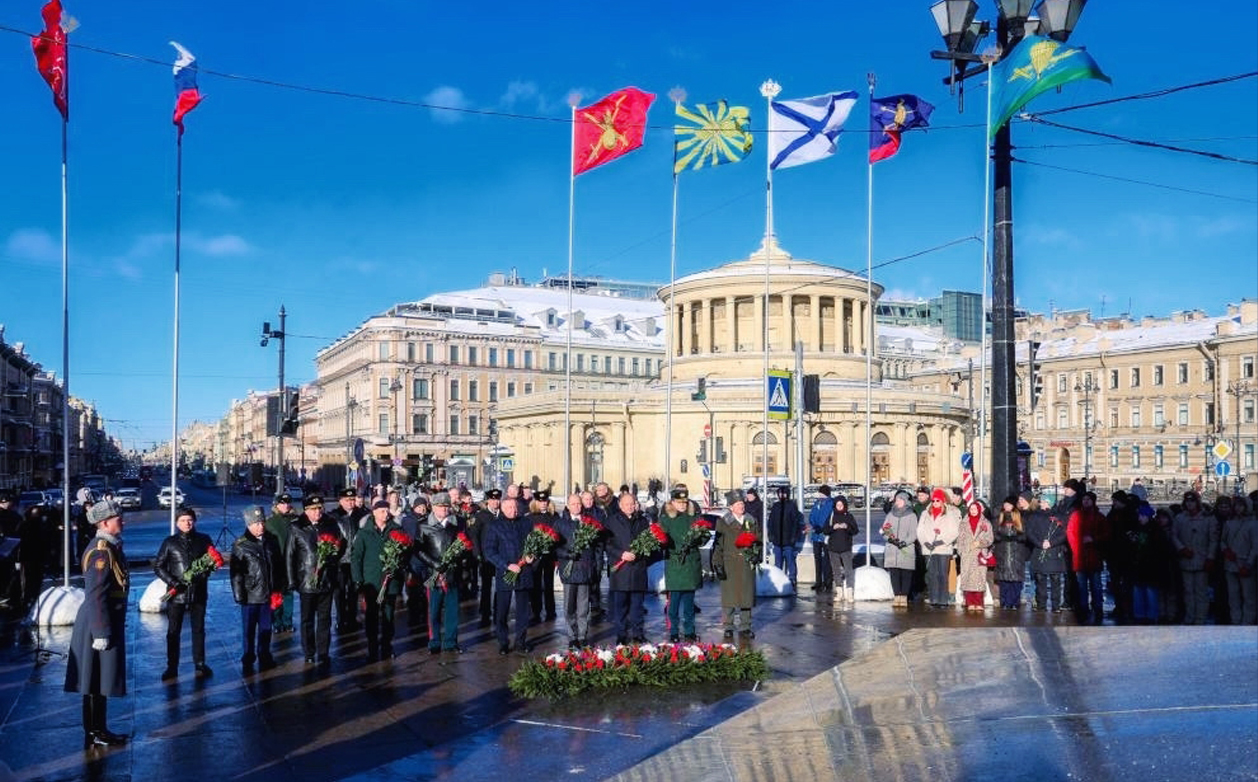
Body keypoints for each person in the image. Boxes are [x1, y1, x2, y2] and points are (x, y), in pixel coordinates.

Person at [64, 499, 129, 748]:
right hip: (97, 621)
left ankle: (98, 728)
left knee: (99, 680)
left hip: (105, 618)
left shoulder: (111, 547)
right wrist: (101, 631)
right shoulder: (102, 550)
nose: (121, 521)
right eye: (117, 518)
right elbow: (96, 594)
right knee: (94, 680)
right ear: (104, 523)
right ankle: (94, 731)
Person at [153, 506, 214, 680]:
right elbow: (158, 566)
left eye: (189, 520)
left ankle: (200, 663)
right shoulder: (169, 542)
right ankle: (172, 666)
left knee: (199, 629)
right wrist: (174, 582)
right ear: (176, 522)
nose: (187, 523)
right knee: (173, 631)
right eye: (182, 520)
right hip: (177, 594)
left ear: (194, 521)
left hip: (198, 592)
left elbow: (211, 562)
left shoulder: (204, 539)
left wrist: (203, 573)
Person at [287, 494, 345, 666]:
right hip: (306, 580)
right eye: (313, 509)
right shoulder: (297, 527)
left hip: (326, 580)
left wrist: (333, 558)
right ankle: (309, 652)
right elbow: (289, 555)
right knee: (307, 619)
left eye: (320, 508)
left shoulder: (330, 523)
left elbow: (341, 545)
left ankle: (323, 652)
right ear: (306, 511)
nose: (318, 512)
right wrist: (292, 581)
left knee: (325, 618)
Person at [230, 506, 286, 674]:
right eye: (256, 524)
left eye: (262, 522)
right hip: (250, 594)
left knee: (266, 628)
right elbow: (236, 573)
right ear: (248, 525)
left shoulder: (272, 540)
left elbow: (279, 566)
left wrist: (279, 587)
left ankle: (264, 655)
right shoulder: (241, 545)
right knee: (248, 629)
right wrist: (239, 595)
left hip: (268, 593)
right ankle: (248, 656)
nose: (260, 526)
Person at [351, 499, 407, 661]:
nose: (386, 513)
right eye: (382, 511)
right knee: (372, 616)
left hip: (390, 581)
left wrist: (398, 565)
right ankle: (372, 646)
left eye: (387, 510)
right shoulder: (364, 532)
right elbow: (357, 558)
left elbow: (404, 553)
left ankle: (387, 645)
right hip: (372, 583)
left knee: (389, 615)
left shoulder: (396, 530)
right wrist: (358, 580)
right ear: (374, 512)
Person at [484, 493, 535, 655]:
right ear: (502, 508)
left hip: (524, 572)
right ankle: (503, 642)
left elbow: (533, 544)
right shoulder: (495, 526)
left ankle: (521, 641)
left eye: (515, 507)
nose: (513, 510)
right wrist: (506, 565)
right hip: (505, 573)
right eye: (509, 507)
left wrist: (532, 556)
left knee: (523, 611)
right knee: (502, 611)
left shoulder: (526, 523)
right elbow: (489, 551)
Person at [555, 493, 602, 649]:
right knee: (569, 606)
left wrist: (596, 565)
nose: (577, 506)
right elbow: (554, 547)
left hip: (585, 568)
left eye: (579, 504)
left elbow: (597, 546)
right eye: (573, 504)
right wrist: (567, 554)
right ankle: (571, 635)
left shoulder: (589, 523)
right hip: (569, 569)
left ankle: (582, 636)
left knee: (583, 606)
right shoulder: (561, 523)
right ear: (567, 506)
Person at [605, 491, 652, 644]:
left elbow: (649, 544)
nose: (630, 507)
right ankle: (621, 634)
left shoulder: (643, 521)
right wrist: (621, 554)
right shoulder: (611, 521)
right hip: (621, 570)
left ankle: (638, 633)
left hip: (638, 568)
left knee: (637, 605)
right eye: (626, 504)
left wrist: (638, 554)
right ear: (620, 505)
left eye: (632, 504)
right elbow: (607, 544)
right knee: (620, 606)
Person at [711, 489, 759, 639]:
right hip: (729, 563)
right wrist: (717, 564)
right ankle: (729, 626)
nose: (741, 506)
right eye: (738, 504)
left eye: (742, 503)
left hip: (746, 563)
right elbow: (718, 545)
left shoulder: (751, 520)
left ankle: (745, 626)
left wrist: (757, 555)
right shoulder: (723, 522)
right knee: (729, 597)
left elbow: (758, 540)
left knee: (746, 596)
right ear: (731, 507)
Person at [658, 487, 701, 643]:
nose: (682, 505)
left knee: (689, 604)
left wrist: (699, 537)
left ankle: (690, 631)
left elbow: (702, 540)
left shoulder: (694, 518)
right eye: (679, 502)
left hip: (690, 564)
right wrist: (663, 541)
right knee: (674, 603)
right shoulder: (666, 519)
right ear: (672, 502)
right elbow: (661, 541)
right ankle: (674, 631)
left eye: (684, 502)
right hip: (676, 564)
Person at [1171, 491, 1217, 624]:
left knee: (1201, 592)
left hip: (1202, 560)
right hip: (1186, 560)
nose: (1190, 504)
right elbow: (1174, 536)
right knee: (1188, 591)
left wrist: (1210, 557)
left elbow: (1213, 540)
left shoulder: (1208, 519)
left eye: (1192, 501)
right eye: (1187, 501)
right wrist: (1182, 549)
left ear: (1198, 502)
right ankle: (1190, 617)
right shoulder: (1180, 518)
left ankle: (1200, 618)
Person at [329, 487, 368, 634]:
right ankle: (340, 620)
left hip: (356, 560)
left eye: (353, 499)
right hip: (340, 560)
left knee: (354, 591)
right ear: (340, 501)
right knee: (339, 592)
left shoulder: (362, 515)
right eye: (347, 500)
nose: (351, 503)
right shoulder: (334, 516)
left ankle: (352, 619)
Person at [1067, 491, 1108, 624]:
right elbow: (1070, 533)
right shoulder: (1076, 516)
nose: (1086, 502)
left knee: (1096, 585)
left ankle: (1098, 608)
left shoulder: (1099, 517)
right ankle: (1083, 608)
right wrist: (1076, 548)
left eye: (1088, 499)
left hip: (1094, 556)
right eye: (1084, 499)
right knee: (1082, 586)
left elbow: (1106, 534)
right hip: (1080, 557)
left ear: (1093, 501)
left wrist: (1094, 539)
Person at [1023, 491, 1068, 612]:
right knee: (1040, 579)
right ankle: (1041, 604)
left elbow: (1063, 534)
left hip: (1054, 552)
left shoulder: (1059, 516)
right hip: (1039, 551)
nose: (1040, 503)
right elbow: (1029, 532)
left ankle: (1055, 605)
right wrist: (1040, 543)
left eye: (1043, 501)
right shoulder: (1035, 516)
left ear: (1048, 503)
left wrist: (1051, 543)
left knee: (1055, 580)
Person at [916, 488, 960, 608]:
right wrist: (925, 542)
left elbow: (954, 531)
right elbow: (920, 530)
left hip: (943, 549)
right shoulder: (925, 514)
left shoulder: (949, 513)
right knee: (932, 574)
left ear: (942, 501)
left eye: (938, 500)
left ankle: (943, 600)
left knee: (942, 574)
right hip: (929, 549)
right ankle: (933, 598)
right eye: (934, 500)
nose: (935, 502)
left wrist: (942, 541)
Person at [1220, 495, 1256, 625]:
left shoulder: (1253, 524)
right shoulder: (1229, 522)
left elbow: (1255, 547)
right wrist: (1226, 550)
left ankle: (1247, 622)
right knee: (1233, 596)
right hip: (1230, 564)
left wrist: (1248, 564)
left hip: (1245, 565)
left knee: (1248, 596)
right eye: (1236, 505)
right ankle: (1235, 621)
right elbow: (1222, 541)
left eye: (1241, 505)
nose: (1238, 508)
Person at [265, 493, 298, 633]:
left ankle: (288, 621)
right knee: (276, 594)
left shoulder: (295, 520)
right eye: (282, 503)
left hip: (291, 563)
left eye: (287, 503)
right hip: (276, 563)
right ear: (276, 505)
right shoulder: (271, 522)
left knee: (289, 594)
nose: (285, 505)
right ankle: (277, 622)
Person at [398, 494, 430, 634]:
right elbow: (412, 537)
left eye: (424, 507)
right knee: (414, 589)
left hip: (426, 559)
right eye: (419, 507)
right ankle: (414, 615)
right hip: (413, 559)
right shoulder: (409, 520)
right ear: (414, 508)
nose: (422, 509)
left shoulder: (429, 518)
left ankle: (424, 613)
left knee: (426, 588)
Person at [880, 489, 918, 607]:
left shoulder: (911, 515)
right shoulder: (891, 514)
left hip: (906, 549)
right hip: (892, 549)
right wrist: (889, 538)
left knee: (906, 574)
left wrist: (904, 542)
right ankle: (896, 596)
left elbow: (914, 533)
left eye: (900, 500)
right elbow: (885, 529)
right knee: (894, 574)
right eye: (897, 500)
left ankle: (904, 597)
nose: (898, 502)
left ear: (905, 501)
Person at [470, 489, 501, 627]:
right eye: (493, 499)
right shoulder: (481, 515)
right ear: (488, 500)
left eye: (497, 499)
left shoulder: (503, 515)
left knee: (500, 585)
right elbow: (474, 535)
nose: (495, 502)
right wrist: (477, 553)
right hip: (486, 557)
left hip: (500, 556)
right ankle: (485, 611)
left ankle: (498, 610)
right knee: (486, 586)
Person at [956, 500, 995, 612]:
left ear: (979, 510)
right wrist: (962, 551)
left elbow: (990, 538)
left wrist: (980, 543)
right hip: (967, 554)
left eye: (975, 509)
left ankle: (978, 602)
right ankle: (969, 602)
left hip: (979, 554)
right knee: (967, 578)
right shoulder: (964, 523)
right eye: (971, 509)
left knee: (979, 579)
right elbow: (960, 539)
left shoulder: (985, 522)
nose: (973, 511)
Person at [527, 491, 559, 623]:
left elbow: (558, 535)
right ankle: (536, 612)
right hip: (535, 556)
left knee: (548, 584)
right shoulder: (530, 518)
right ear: (536, 502)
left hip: (550, 555)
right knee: (535, 585)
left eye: (545, 501)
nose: (543, 503)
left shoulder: (554, 516)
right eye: (540, 501)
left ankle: (550, 610)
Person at [992, 496, 1029, 609]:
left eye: (1008, 504)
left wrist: (1016, 537)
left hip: (1016, 553)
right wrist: (1000, 537)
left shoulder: (1020, 518)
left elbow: (1025, 534)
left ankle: (1014, 601)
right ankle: (1005, 602)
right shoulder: (999, 518)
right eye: (1005, 504)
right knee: (1004, 579)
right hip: (1002, 552)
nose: (1006, 506)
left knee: (1016, 580)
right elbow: (994, 533)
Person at [766, 486, 804, 589]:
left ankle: (792, 578)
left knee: (790, 560)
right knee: (778, 561)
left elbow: (796, 524)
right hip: (777, 540)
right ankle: (779, 579)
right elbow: (771, 522)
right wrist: (770, 535)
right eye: (780, 493)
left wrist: (793, 537)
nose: (782, 495)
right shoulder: (776, 506)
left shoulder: (791, 506)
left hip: (788, 540)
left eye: (784, 493)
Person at [826, 495, 859, 605]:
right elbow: (825, 530)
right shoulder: (831, 516)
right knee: (836, 571)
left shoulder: (849, 516)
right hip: (833, 548)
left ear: (844, 505)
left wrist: (847, 527)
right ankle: (839, 592)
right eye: (837, 505)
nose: (839, 506)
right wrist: (833, 528)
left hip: (846, 548)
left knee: (848, 570)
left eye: (841, 505)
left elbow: (855, 530)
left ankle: (850, 593)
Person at [807, 485, 834, 592]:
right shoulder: (817, 503)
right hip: (816, 535)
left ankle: (828, 581)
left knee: (827, 559)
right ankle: (818, 581)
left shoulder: (830, 504)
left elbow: (829, 518)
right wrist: (814, 525)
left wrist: (822, 527)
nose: (820, 495)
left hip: (825, 535)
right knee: (817, 559)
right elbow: (812, 516)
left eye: (821, 493)